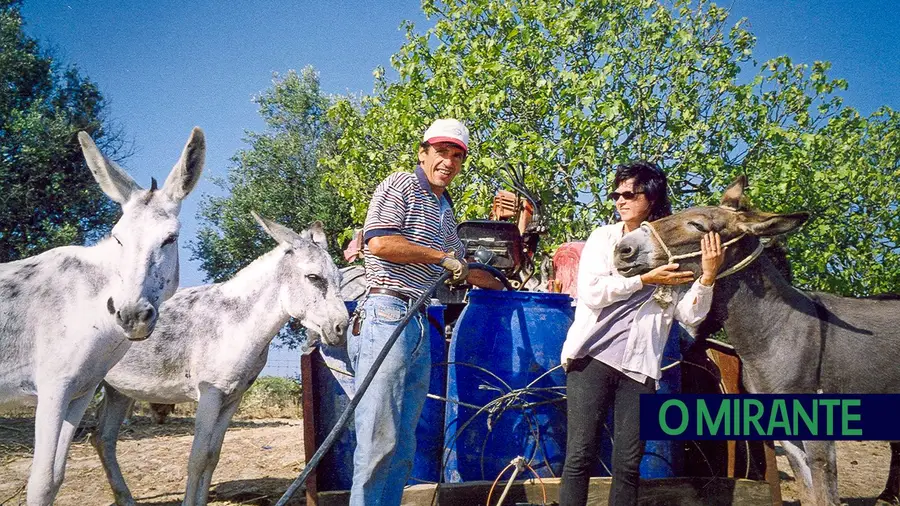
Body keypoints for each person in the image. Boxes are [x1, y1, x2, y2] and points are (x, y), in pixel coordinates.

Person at [350, 118, 503, 506]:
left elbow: (460, 262)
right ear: (423, 153)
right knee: (377, 436)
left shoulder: (445, 208)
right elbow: (381, 242)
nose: (448, 162)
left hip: (419, 320)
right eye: (440, 152)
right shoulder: (399, 184)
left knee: (403, 443)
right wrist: (442, 258)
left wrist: (494, 277)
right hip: (387, 310)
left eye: (456, 156)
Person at [558, 161, 727, 506]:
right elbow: (591, 292)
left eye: (628, 194)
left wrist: (707, 277)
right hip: (592, 358)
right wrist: (644, 280)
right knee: (580, 455)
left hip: (639, 367)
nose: (619, 201)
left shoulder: (672, 248)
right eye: (616, 194)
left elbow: (688, 315)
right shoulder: (603, 238)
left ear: (651, 198)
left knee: (628, 464)